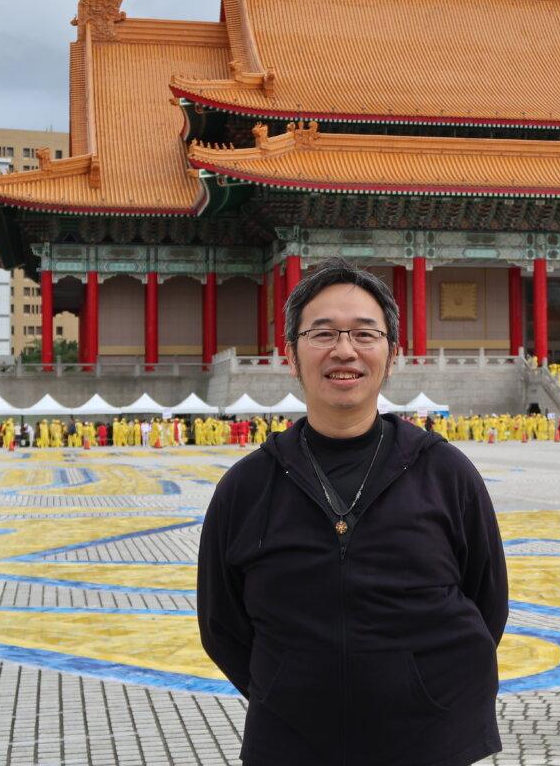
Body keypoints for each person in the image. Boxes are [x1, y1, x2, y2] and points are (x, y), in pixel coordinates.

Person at [198, 258, 507, 766]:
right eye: (322, 334)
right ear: (291, 355)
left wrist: (421, 683)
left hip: (429, 742)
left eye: (365, 334)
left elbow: (486, 602)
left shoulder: (445, 472)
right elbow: (221, 626)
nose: (344, 350)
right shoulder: (246, 487)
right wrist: (287, 685)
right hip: (290, 742)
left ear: (392, 354)